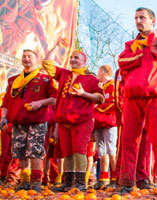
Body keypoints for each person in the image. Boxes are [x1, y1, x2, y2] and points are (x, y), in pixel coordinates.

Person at [117, 7, 157, 197]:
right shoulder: (131, 44)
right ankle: (127, 182)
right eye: (136, 18)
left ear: (152, 20)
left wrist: (143, 47)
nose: (138, 21)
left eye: (142, 17)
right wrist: (139, 53)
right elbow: (122, 61)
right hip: (132, 96)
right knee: (129, 140)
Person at [44, 40, 104, 191]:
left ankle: (81, 184)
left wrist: (83, 93)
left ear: (84, 61)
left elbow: (100, 99)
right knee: (67, 153)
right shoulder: (64, 74)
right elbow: (47, 63)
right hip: (63, 122)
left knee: (79, 152)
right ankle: (67, 183)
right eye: (71, 58)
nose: (72, 60)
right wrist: (57, 46)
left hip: (82, 121)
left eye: (76, 58)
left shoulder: (92, 79)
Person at [1, 49, 56, 191]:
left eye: (29, 57)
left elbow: (55, 99)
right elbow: (6, 101)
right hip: (18, 121)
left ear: (36, 59)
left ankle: (36, 182)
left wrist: (39, 103)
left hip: (37, 121)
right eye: (24, 56)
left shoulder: (45, 79)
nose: (26, 59)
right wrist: (3, 117)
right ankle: (24, 181)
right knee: (20, 150)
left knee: (35, 150)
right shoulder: (14, 80)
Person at [92, 65, 118, 189]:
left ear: (103, 72)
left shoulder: (113, 85)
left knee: (111, 149)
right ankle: (103, 178)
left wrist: (98, 108)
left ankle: (115, 178)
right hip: (98, 123)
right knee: (101, 151)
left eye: (98, 72)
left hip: (109, 122)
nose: (98, 75)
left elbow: (114, 103)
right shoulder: (99, 88)